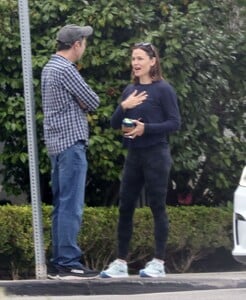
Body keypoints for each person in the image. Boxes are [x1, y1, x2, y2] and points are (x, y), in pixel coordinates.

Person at [100, 42, 181, 278]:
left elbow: (175, 123)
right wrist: (123, 106)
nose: (135, 63)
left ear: (152, 61)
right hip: (134, 155)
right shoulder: (129, 91)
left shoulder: (164, 89)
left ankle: (158, 262)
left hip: (156, 153)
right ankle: (120, 262)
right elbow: (115, 124)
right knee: (125, 206)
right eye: (133, 58)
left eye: (140, 58)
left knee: (157, 206)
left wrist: (146, 129)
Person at [41, 24, 100, 279]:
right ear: (76, 44)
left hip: (56, 145)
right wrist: (81, 102)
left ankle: (60, 261)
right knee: (71, 205)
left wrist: (80, 101)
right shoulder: (66, 69)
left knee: (61, 204)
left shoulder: (49, 67)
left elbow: (84, 100)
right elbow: (93, 101)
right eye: (83, 42)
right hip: (71, 144)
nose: (84, 47)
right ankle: (68, 261)